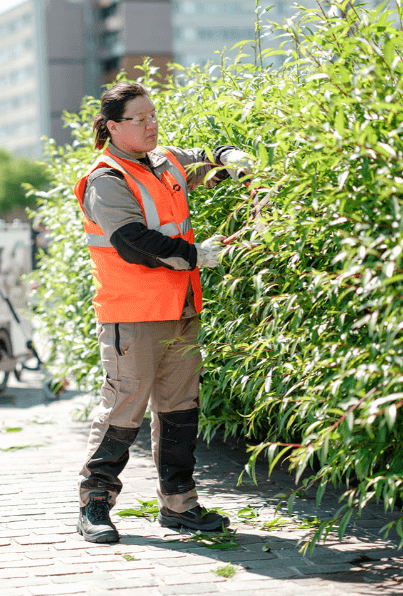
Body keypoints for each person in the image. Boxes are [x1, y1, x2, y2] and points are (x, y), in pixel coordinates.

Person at [74, 81, 253, 543]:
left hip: (181, 307)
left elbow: (207, 155)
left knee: (179, 410)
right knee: (123, 409)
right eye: (141, 119)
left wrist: (231, 159)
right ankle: (94, 504)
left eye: (154, 115)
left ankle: (180, 505)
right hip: (132, 314)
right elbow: (134, 243)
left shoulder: (165, 160)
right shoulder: (106, 179)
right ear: (113, 127)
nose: (152, 125)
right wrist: (198, 255)